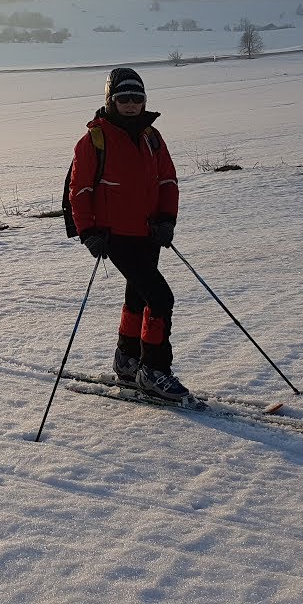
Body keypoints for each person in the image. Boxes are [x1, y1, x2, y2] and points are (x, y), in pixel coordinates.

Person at [67, 68, 188, 402]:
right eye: (124, 98)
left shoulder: (152, 136)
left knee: (138, 297)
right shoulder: (94, 140)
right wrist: (88, 231)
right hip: (114, 236)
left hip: (149, 234)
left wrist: (167, 220)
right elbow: (80, 190)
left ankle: (127, 358)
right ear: (111, 100)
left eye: (138, 98)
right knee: (161, 298)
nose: (132, 104)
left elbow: (168, 181)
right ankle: (154, 370)